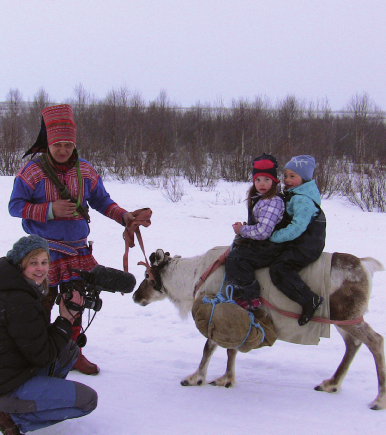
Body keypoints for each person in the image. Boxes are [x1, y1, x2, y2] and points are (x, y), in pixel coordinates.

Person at [8, 104, 138, 375]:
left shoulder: (86, 171)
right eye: (58, 144)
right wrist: (50, 209)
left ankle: (72, 354)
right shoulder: (32, 172)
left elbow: (102, 200)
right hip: (42, 253)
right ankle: (36, 357)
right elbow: (15, 206)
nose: (63, 149)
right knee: (39, 305)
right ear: (48, 143)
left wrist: (124, 217)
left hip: (77, 251)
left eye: (68, 144)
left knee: (75, 302)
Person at [0, 235, 97, 435]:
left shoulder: (16, 286)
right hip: (8, 385)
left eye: (44, 262)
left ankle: (35, 402)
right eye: (33, 263)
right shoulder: (18, 299)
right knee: (87, 400)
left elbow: (36, 341)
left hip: (14, 369)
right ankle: (14, 418)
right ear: (20, 264)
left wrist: (64, 321)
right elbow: (42, 355)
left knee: (68, 349)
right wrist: (65, 319)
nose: (40, 269)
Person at [269, 155, 326, 326]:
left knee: (280, 269)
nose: (287, 180)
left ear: (304, 178)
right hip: (300, 242)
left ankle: (309, 299)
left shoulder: (302, 199)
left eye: (292, 176)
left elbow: (297, 228)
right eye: (286, 175)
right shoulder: (295, 194)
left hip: (307, 245)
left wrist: (275, 237)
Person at [225, 154, 285, 306]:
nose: (261, 184)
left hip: (270, 248)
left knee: (235, 258)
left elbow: (264, 231)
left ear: (274, 181)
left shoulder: (273, 201)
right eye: (258, 180)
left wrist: (243, 230)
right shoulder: (262, 198)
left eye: (266, 179)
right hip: (263, 245)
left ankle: (250, 295)